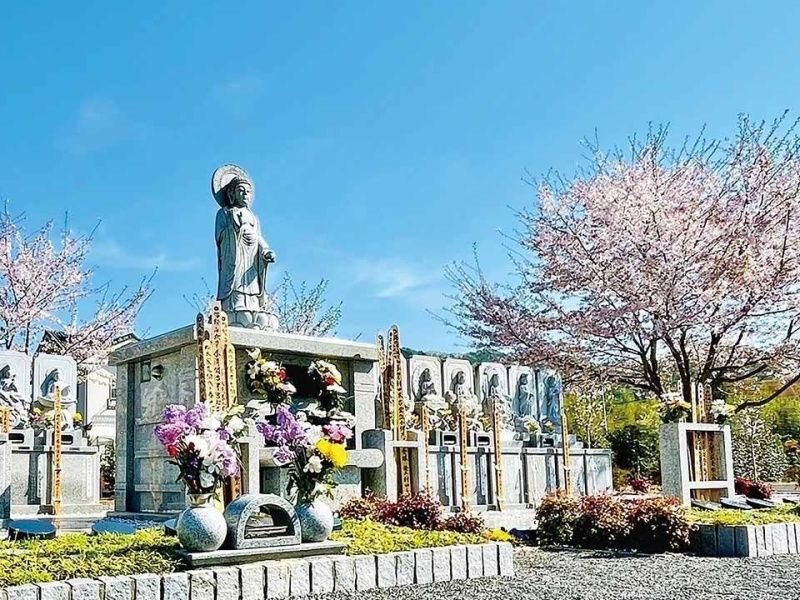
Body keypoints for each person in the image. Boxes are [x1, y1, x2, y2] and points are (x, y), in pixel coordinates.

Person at [213, 165, 277, 329]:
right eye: (240, 190)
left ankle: (253, 306)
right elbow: (220, 236)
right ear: (231, 193)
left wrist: (266, 250)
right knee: (235, 284)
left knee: (252, 284)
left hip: (252, 259)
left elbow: (259, 237)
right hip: (234, 256)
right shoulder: (224, 213)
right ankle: (234, 308)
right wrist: (235, 230)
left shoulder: (253, 217)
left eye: (248, 192)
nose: (245, 194)